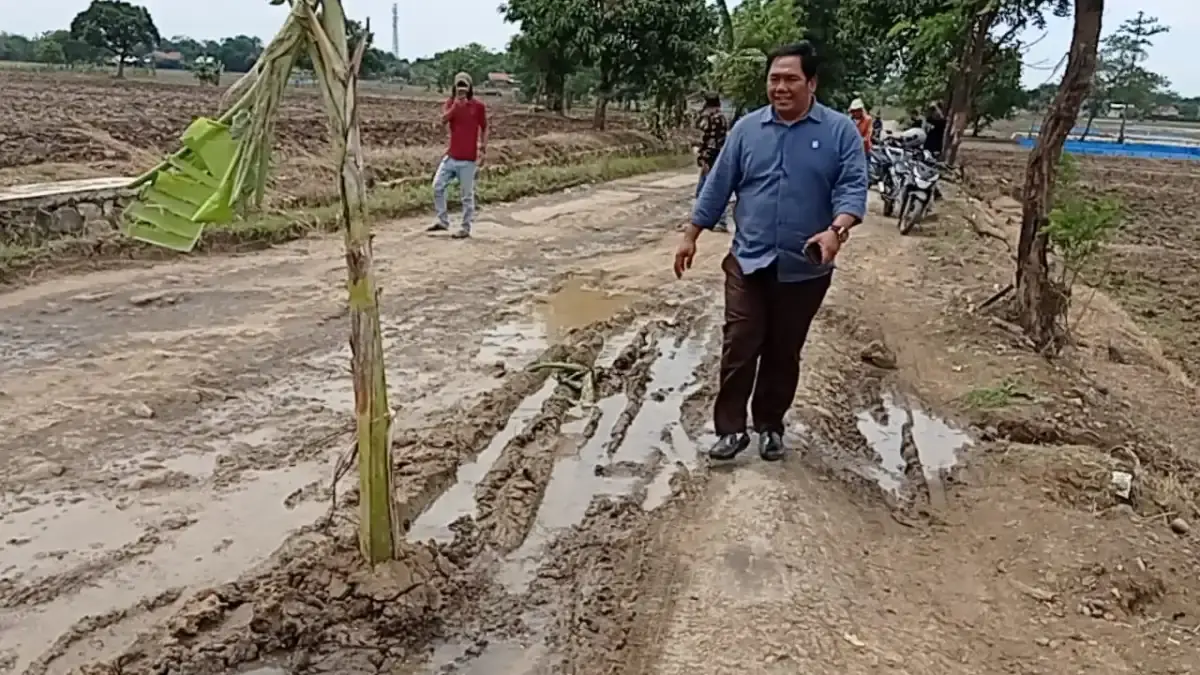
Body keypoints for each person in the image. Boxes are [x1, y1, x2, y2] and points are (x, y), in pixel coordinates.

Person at [673, 41, 868, 462]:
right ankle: (729, 430)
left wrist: (837, 230)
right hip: (748, 259)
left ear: (811, 83)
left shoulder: (838, 131)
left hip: (805, 268)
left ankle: (769, 425)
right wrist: (691, 234)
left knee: (784, 349)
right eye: (774, 79)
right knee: (740, 342)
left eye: (790, 79)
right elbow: (718, 184)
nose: (780, 87)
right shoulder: (746, 130)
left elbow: (853, 187)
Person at [429, 72, 488, 239]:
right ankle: (442, 220)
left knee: (466, 196)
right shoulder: (450, 104)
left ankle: (465, 228)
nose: (461, 89)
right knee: (437, 186)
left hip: (468, 159)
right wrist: (456, 105)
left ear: (470, 88)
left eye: (464, 86)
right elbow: (442, 120)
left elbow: (485, 127)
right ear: (454, 88)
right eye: (459, 86)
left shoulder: (478, 107)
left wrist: (483, 149)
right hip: (452, 156)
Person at [694, 92, 730, 232]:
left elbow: (710, 141)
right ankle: (713, 220)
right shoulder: (720, 117)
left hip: (712, 158)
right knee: (711, 189)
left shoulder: (712, 118)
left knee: (706, 190)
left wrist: (704, 159)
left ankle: (712, 221)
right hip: (718, 156)